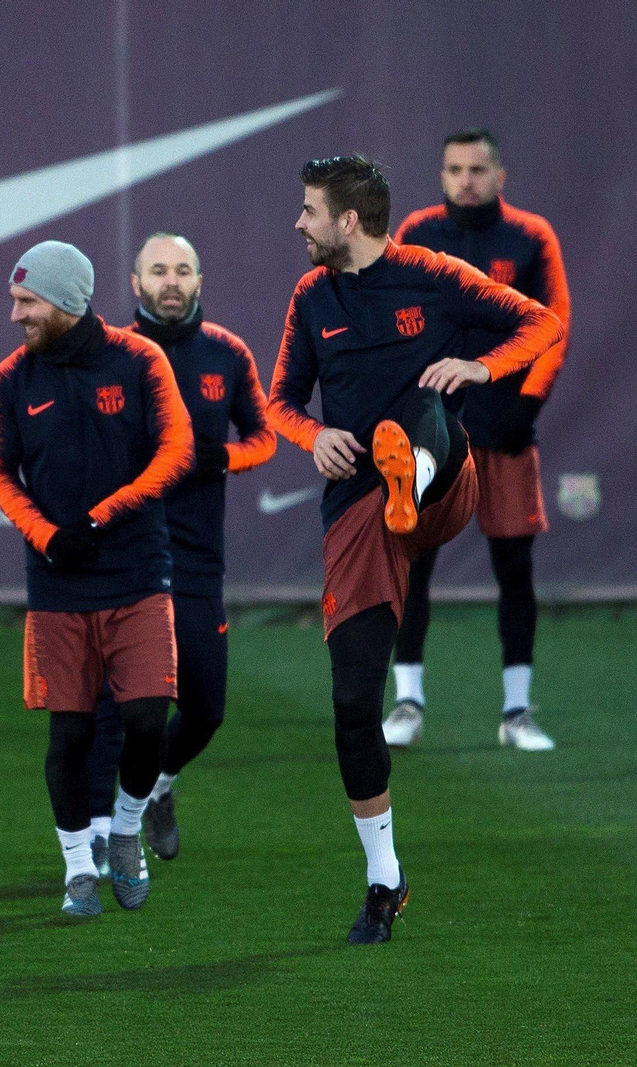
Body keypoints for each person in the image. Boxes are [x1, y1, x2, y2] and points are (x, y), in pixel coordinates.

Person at [267, 155, 562, 943]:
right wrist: (316, 434)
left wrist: (481, 364)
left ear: (349, 220)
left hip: (445, 484)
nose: (298, 224)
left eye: (308, 212)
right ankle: (384, 878)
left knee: (430, 404)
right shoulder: (310, 296)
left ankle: (416, 466)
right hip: (364, 511)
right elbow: (279, 403)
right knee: (352, 707)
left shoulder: (432, 272)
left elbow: (544, 322)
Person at [0, 240, 193, 916]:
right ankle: (78, 869)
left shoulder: (139, 361)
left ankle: (126, 827)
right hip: (57, 584)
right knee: (68, 736)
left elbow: (177, 448)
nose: (15, 314)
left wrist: (103, 516)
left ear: (68, 301)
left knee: (144, 722)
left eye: (27, 301)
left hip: (136, 573)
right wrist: (45, 534)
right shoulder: (9, 380)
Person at [87, 233, 275, 867]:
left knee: (206, 710)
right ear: (135, 283)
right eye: (158, 271)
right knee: (119, 711)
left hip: (197, 559)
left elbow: (264, 437)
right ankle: (105, 836)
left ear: (200, 281)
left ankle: (159, 786)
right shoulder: (111, 355)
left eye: (184, 270)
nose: (172, 281)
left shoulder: (227, 353)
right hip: (124, 556)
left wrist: (220, 457)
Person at [385, 129, 571, 752]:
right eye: (454, 168)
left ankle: (517, 712)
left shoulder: (530, 236)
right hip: (433, 432)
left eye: (477, 168)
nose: (465, 179)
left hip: (505, 426)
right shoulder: (416, 231)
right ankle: (408, 702)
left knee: (513, 570)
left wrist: (524, 405)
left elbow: (556, 323)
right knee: (415, 564)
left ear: (500, 174)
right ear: (441, 176)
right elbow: (393, 319)